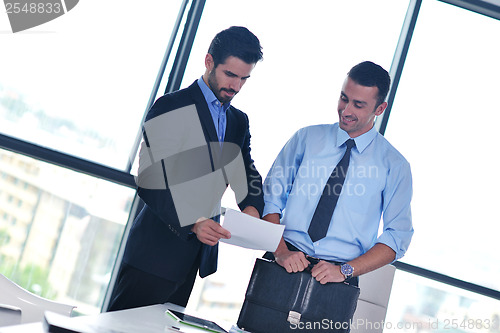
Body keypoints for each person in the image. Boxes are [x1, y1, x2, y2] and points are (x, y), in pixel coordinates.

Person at [108, 26, 264, 311]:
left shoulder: (238, 121)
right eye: (230, 75)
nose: (236, 86)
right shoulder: (170, 106)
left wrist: (253, 210)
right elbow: (149, 180)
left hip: (191, 260)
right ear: (209, 62)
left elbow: (246, 173)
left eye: (244, 78)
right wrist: (194, 221)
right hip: (152, 257)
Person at [262, 61, 413, 288]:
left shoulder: (395, 166)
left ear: (380, 109)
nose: (346, 110)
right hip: (282, 260)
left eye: (359, 105)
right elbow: (270, 199)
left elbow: (397, 236)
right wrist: (280, 251)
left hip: (338, 278)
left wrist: (345, 271)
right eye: (344, 98)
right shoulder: (306, 139)